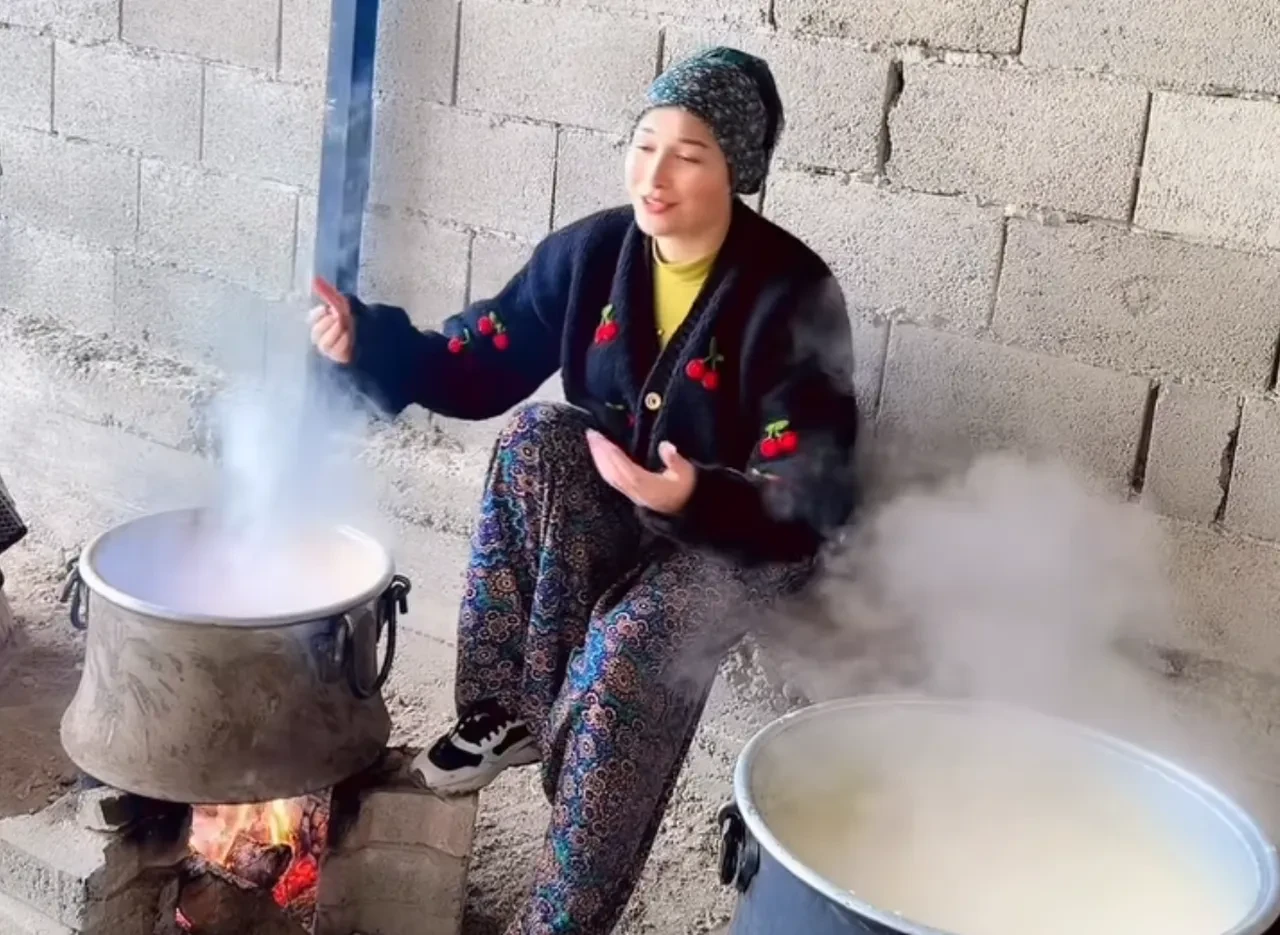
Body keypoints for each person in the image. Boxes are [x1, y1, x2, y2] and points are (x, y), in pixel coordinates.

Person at [310, 46, 861, 935]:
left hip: (747, 537)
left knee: (629, 642)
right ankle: (508, 709)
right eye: (646, 145)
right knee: (536, 434)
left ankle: (562, 917)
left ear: (741, 171)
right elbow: (479, 360)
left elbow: (811, 488)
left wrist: (697, 499)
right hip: (631, 492)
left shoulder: (794, 292)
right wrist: (369, 345)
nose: (657, 174)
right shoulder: (595, 252)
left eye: (690, 154)